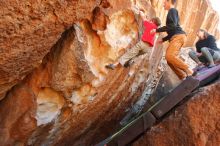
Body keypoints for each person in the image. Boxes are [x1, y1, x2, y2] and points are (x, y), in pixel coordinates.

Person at [151, 0, 194, 80]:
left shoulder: (172, 10)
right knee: (169, 61)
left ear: (169, 1)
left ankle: (188, 70)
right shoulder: (171, 12)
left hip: (178, 36)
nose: (163, 4)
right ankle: (183, 77)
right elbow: (172, 30)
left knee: (169, 56)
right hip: (176, 36)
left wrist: (156, 30)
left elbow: (173, 26)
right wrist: (163, 39)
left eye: (164, 2)